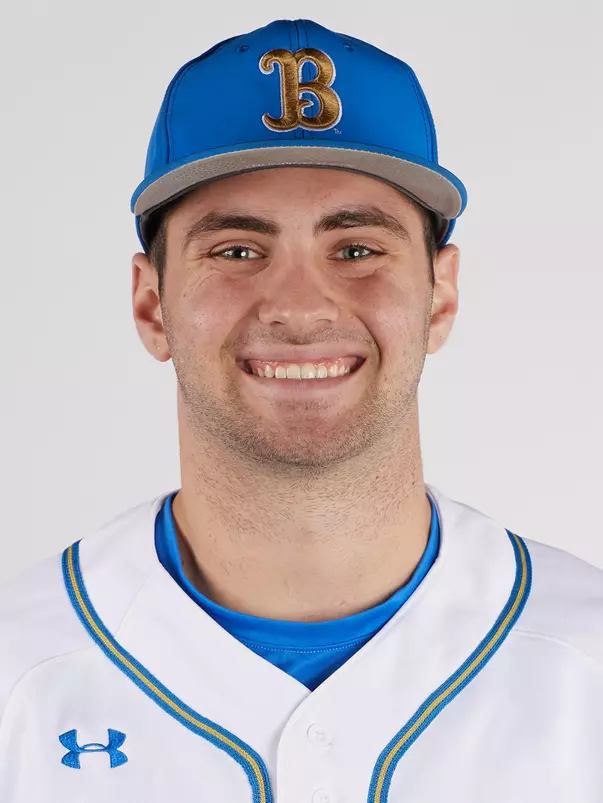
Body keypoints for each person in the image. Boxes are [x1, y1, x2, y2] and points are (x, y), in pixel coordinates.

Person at [1, 18, 602, 803]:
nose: (298, 304)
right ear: (150, 304)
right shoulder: (18, 667)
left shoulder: (586, 662)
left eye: (355, 248)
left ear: (440, 294)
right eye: (237, 251)